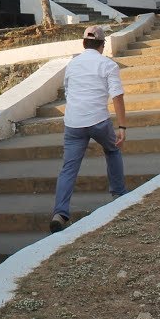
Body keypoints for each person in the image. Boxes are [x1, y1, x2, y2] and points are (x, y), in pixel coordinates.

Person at [50, 26, 127, 233]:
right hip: (99, 120)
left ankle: (59, 213)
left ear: (84, 43)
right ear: (102, 45)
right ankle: (119, 195)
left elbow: (68, 91)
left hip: (73, 123)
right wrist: (122, 126)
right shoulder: (108, 65)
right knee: (112, 150)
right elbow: (117, 96)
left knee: (69, 168)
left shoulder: (72, 65)